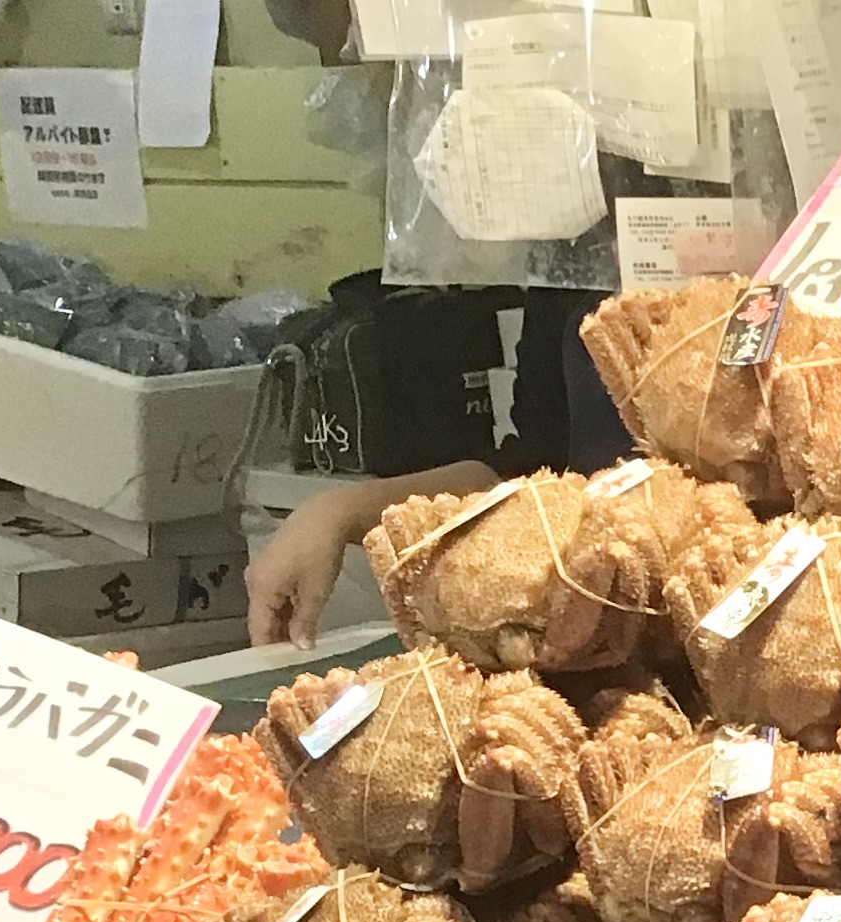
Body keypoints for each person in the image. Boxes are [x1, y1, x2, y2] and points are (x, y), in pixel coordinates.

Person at [245, 0, 630, 646]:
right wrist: (335, 513)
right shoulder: (564, 264)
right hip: (591, 631)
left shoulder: (701, 226)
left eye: (364, 58)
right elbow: (526, 474)